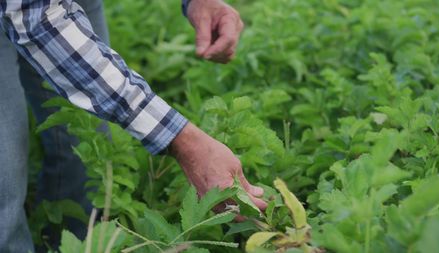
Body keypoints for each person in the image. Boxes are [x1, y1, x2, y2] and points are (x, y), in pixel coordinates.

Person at [0, 0, 267, 251]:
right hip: (34, 11)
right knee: (5, 183)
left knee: (86, 149)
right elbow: (35, 19)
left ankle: (72, 243)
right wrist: (184, 141)